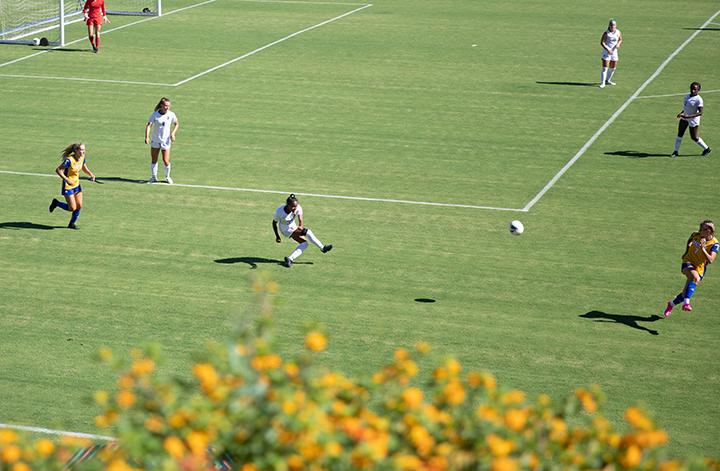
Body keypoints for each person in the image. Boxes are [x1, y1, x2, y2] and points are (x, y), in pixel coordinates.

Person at [663, 220, 718, 317]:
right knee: (695, 278)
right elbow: (689, 241)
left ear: (710, 231)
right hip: (688, 262)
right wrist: (686, 252)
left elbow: (711, 260)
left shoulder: (715, 244)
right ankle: (686, 303)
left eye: (703, 229)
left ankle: (671, 304)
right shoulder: (695, 235)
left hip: (700, 267)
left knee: (685, 292)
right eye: (700, 228)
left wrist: (703, 248)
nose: (700, 230)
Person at [272, 194, 332, 268]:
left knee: (304, 244)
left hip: (293, 226)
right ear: (287, 205)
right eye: (293, 207)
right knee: (307, 231)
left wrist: (301, 226)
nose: (295, 208)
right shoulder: (279, 211)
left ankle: (290, 259)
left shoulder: (297, 207)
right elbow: (274, 223)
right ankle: (323, 248)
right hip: (285, 229)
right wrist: (277, 236)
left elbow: (300, 219)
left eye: (296, 206)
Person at [49, 143, 96, 229]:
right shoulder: (69, 160)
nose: (83, 151)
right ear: (76, 151)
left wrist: (91, 174)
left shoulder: (82, 158)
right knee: (72, 208)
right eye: (81, 150)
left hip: (77, 185)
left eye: (84, 149)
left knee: (79, 206)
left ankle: (71, 224)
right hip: (68, 186)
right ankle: (56, 203)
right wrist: (66, 179)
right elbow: (58, 170)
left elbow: (84, 168)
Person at [672, 82, 712, 157]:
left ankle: (707, 149)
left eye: (695, 89)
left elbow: (700, 113)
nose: (693, 91)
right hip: (685, 117)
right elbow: (686, 107)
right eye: (692, 89)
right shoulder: (686, 97)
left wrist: (689, 117)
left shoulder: (699, 99)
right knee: (680, 134)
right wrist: (681, 113)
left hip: (693, 119)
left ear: (698, 90)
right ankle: (675, 151)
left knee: (694, 137)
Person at [145, 97, 179, 184]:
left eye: (168, 106)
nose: (167, 107)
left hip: (166, 141)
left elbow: (176, 124)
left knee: (166, 160)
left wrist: (173, 133)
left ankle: (167, 177)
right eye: (165, 106)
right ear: (161, 105)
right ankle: (153, 177)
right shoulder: (155, 114)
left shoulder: (171, 114)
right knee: (154, 159)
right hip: (155, 140)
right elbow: (149, 125)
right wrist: (147, 137)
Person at [599, 19, 622, 88]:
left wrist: (618, 44)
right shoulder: (606, 33)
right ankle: (602, 83)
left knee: (613, 67)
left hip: (614, 52)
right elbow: (602, 42)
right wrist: (608, 49)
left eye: (614, 26)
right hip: (606, 52)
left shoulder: (618, 32)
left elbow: (620, 39)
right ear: (609, 26)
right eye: (611, 26)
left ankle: (608, 80)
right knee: (605, 68)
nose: (613, 27)